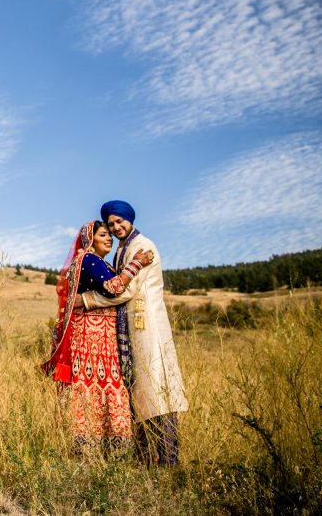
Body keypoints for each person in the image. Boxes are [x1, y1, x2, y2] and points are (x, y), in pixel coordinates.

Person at [80, 200, 188, 466]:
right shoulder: (123, 249)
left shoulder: (142, 247)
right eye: (112, 223)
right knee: (141, 393)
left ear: (130, 219)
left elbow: (124, 291)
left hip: (145, 324)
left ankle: (167, 461)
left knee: (155, 391)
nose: (116, 227)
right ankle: (146, 459)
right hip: (133, 325)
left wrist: (88, 300)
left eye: (120, 221)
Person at [42, 220, 154, 454]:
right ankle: (93, 447)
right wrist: (136, 264)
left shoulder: (93, 261)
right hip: (91, 336)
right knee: (97, 383)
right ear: (90, 239)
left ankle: (98, 446)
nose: (109, 238)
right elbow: (114, 287)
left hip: (99, 334)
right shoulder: (88, 259)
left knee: (100, 383)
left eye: (109, 235)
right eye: (103, 234)